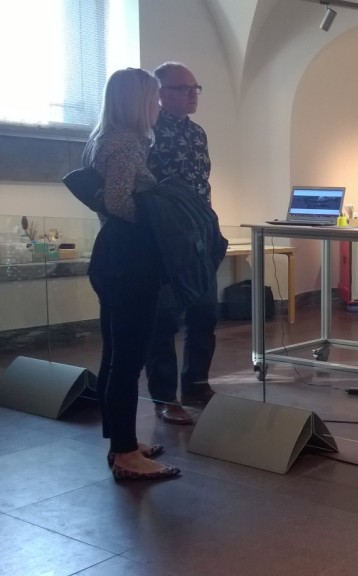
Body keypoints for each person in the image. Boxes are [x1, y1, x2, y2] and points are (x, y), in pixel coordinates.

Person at [85, 68, 180, 481]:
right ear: (138, 101)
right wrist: (159, 219)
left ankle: (120, 441)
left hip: (113, 256)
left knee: (115, 356)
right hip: (129, 259)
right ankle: (125, 453)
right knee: (127, 360)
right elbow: (118, 200)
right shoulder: (127, 142)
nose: (159, 105)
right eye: (154, 98)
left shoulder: (103, 139)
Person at [145, 61, 217, 425]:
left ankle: (197, 385)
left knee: (205, 314)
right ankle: (163, 397)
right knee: (163, 320)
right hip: (165, 239)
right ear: (159, 93)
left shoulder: (198, 132)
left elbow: (202, 182)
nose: (192, 94)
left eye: (195, 88)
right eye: (182, 88)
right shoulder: (148, 131)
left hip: (199, 235)